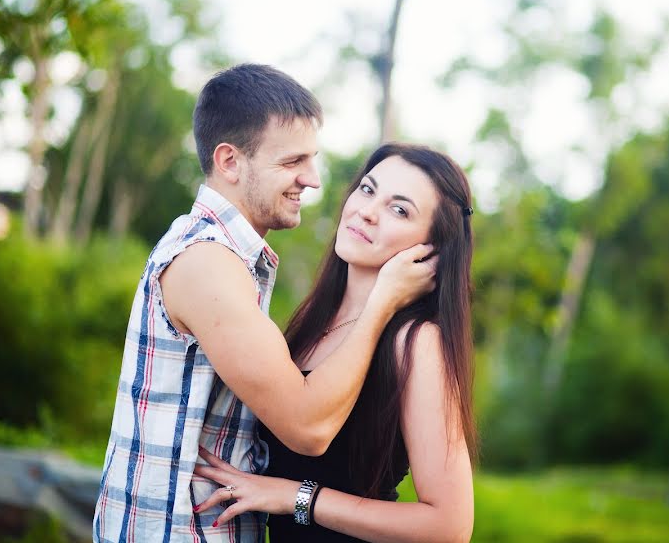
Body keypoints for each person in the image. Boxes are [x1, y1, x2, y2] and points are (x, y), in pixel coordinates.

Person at [92, 66, 437, 543]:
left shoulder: (237, 261)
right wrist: (383, 302)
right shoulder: (206, 261)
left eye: (312, 159)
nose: (312, 179)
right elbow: (307, 426)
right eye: (293, 161)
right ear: (230, 162)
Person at [192, 143, 477, 543]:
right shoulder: (313, 321)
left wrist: (296, 497)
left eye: (399, 210)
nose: (367, 211)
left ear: (430, 248)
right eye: (367, 189)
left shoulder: (415, 342)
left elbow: (450, 526)